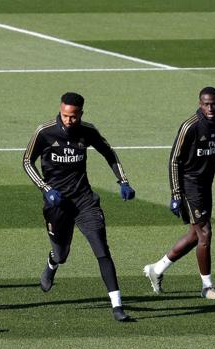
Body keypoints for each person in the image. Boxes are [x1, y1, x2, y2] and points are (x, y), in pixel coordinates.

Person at [23, 92, 136, 322]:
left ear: (81, 114)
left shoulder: (88, 131)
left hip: (84, 201)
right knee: (62, 254)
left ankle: (117, 306)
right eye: (65, 116)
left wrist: (123, 181)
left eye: (73, 117)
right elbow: (26, 162)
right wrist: (46, 189)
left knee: (102, 249)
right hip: (57, 204)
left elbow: (109, 153)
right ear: (60, 111)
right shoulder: (44, 132)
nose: (68, 121)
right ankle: (52, 263)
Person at [143, 87, 215, 299]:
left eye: (214, 104)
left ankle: (157, 269)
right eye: (206, 104)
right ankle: (207, 286)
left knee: (194, 236)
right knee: (205, 233)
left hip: (205, 184)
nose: (210, 108)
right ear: (200, 104)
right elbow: (174, 160)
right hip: (189, 185)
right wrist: (175, 193)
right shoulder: (190, 126)